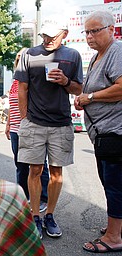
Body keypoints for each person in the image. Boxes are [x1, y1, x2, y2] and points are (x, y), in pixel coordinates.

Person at [14, 18, 83, 239]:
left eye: (53, 35)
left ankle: (50, 215)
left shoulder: (73, 56)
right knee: (34, 171)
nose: (48, 39)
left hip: (61, 123)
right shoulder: (30, 54)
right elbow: (21, 89)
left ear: (65, 33)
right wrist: (24, 118)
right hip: (34, 122)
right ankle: (35, 215)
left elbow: (78, 89)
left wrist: (64, 81)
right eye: (44, 35)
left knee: (56, 173)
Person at [74, 10, 122, 253]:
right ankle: (117, 228)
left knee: (115, 185)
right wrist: (83, 99)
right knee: (110, 183)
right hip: (102, 133)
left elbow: (121, 88)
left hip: (114, 133)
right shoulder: (97, 56)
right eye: (87, 32)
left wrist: (90, 97)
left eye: (95, 31)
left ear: (111, 30)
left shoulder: (117, 51)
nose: (89, 36)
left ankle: (114, 238)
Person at [5, 48, 49, 214]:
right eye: (18, 56)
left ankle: (43, 198)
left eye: (23, 56)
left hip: (31, 127)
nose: (19, 58)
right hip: (16, 129)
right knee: (20, 165)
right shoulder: (15, 80)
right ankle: (23, 197)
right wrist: (8, 124)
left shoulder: (33, 77)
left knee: (38, 165)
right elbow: (12, 105)